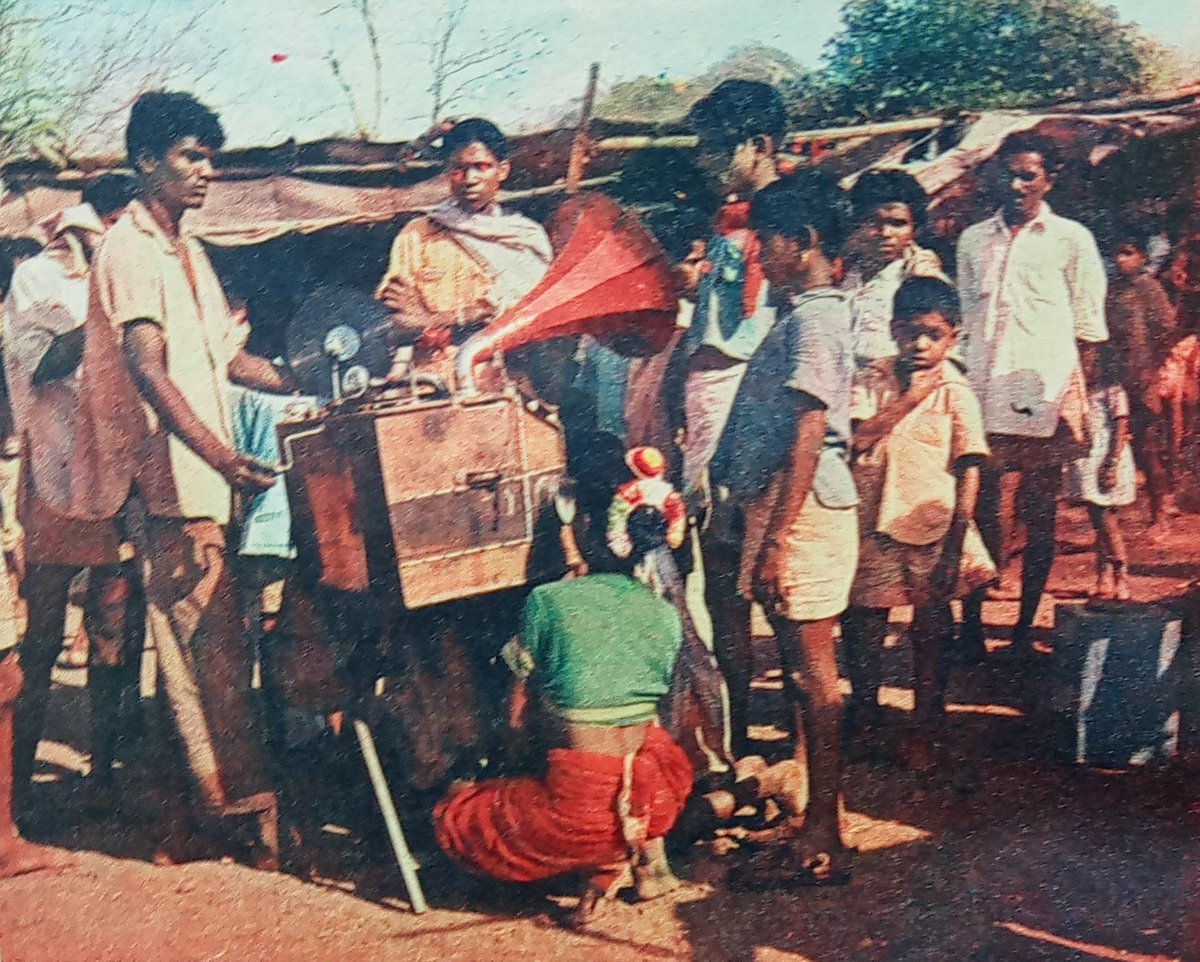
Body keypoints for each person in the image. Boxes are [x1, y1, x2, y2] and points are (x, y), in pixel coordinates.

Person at [60, 91, 293, 866]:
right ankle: (224, 815)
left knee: (203, 651)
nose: (206, 172)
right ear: (145, 162)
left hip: (199, 485)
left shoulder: (189, 251)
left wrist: (302, 378)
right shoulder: (128, 248)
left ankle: (183, 820)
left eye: (210, 159)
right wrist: (220, 457)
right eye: (191, 157)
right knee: (209, 656)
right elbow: (146, 365)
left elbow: (228, 360)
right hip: (167, 485)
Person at [433, 489, 693, 928]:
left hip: (573, 816)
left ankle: (603, 858)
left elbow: (516, 715)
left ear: (582, 541)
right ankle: (633, 859)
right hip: (653, 801)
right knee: (650, 742)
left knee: (455, 816)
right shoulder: (664, 612)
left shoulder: (547, 601)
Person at [723, 175, 858, 887]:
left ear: (802, 243)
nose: (758, 258)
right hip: (785, 508)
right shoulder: (806, 314)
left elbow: (810, 429)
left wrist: (777, 538)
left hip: (799, 515)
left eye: (764, 244)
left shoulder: (815, 321)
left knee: (815, 681)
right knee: (803, 679)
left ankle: (825, 835)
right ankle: (812, 819)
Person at [2, 175, 143, 812]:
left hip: (119, 479)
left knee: (116, 624)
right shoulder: (38, 277)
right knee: (40, 636)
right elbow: (39, 367)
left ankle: (107, 777)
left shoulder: (138, 269)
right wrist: (99, 304)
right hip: (55, 478)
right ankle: (18, 787)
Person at [666, 79, 788, 758]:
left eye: (719, 147)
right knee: (718, 582)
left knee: (776, 576)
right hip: (707, 408)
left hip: (756, 409)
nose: (707, 160)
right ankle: (736, 733)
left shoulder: (787, 228)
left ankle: (799, 747)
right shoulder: (720, 230)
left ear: (759, 147)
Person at [957, 134, 1108, 658]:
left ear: (1049, 180)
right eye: (1008, 174)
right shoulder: (973, 240)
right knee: (980, 513)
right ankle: (972, 625)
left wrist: (1074, 398)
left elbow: (1089, 328)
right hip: (982, 393)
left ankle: (1022, 631)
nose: (1016, 185)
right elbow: (962, 324)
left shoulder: (1071, 239)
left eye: (1027, 175)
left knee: (1039, 515)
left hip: (1043, 396)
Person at [842, 277, 996, 771]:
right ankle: (865, 713)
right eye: (911, 333)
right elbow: (857, 439)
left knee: (931, 626)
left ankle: (926, 723)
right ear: (892, 330)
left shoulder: (957, 392)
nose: (921, 345)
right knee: (864, 621)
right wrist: (907, 399)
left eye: (934, 334)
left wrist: (957, 539)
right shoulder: (872, 381)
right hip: (871, 524)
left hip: (933, 526)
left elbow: (969, 467)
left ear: (953, 337)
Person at [375, 117, 552, 358]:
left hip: (503, 378)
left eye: (481, 167)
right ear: (447, 173)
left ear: (502, 170)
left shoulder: (524, 238)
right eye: (458, 169)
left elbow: (530, 314)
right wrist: (476, 314)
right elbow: (400, 321)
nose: (469, 180)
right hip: (431, 379)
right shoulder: (418, 234)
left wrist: (437, 318)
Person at [841, 168, 945, 423]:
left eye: (897, 224)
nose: (886, 233)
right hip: (848, 393)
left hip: (896, 396)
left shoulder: (920, 276)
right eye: (874, 223)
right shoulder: (848, 278)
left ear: (915, 228)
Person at [1106, 228, 1177, 530]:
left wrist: (1152, 369)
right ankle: (1119, 509)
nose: (1121, 260)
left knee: (1147, 446)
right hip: (1116, 376)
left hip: (1143, 375)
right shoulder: (1111, 290)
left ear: (1142, 257)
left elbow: (1165, 329)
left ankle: (1159, 511)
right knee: (1114, 444)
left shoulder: (1150, 289)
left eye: (1128, 253)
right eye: (1118, 253)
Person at [1065, 345, 1136, 599]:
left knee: (1106, 518)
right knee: (1098, 520)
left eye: (1091, 363)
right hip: (1087, 459)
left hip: (1106, 457)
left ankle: (1121, 570)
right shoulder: (1082, 392)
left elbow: (1120, 427)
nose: (1087, 368)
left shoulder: (1113, 392)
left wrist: (1112, 463)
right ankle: (1104, 572)